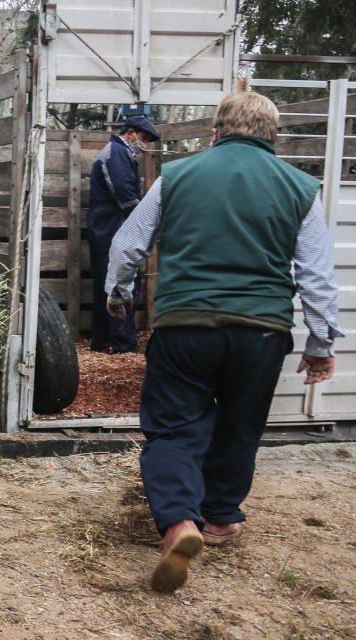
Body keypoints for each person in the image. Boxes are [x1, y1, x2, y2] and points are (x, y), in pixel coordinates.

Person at [105, 92, 343, 593]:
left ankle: (178, 522)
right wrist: (320, 342)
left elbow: (129, 243)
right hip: (262, 330)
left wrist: (118, 293)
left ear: (215, 132)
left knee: (173, 428)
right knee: (240, 424)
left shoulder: (178, 176)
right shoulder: (301, 187)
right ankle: (219, 518)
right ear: (272, 136)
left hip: (185, 325)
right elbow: (318, 274)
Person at [88, 114, 161, 354]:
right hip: (113, 228)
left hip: (105, 228)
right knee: (122, 283)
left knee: (105, 284)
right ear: (130, 133)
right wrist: (148, 217)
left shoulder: (117, 152)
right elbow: (125, 195)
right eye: (142, 137)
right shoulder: (117, 153)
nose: (143, 143)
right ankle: (122, 346)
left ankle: (101, 341)